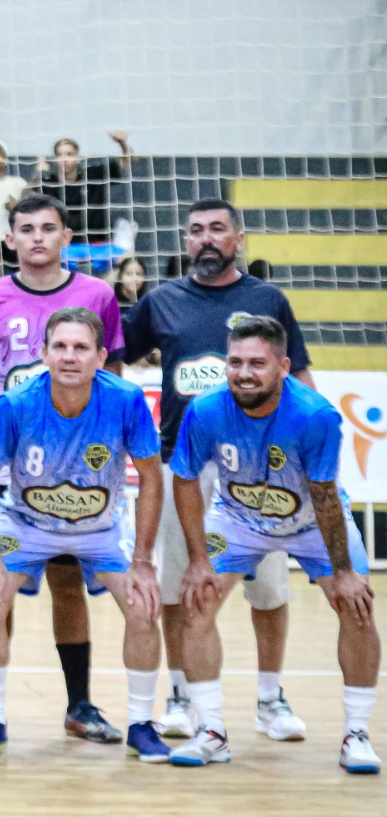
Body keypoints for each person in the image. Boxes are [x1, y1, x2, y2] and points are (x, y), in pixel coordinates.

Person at [123, 198, 314, 742]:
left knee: (269, 589)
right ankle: (182, 694)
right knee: (179, 585)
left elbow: (298, 374)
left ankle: (270, 699)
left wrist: (306, 454)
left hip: (260, 469)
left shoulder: (266, 299)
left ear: (238, 238)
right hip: (182, 464)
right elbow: (114, 362)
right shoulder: (160, 301)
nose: (206, 239)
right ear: (185, 242)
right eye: (195, 231)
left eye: (217, 230)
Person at [0, 307, 170, 763]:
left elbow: (152, 477)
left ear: (100, 356)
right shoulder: (17, 403)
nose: (70, 357)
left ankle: (141, 724)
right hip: (28, 526)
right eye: (61, 347)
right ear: (43, 353)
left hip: (101, 528)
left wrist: (145, 561)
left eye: (81, 348)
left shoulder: (127, 400)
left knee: (144, 605)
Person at [167, 316, 379, 774]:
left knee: (357, 606)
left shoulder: (316, 415)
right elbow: (184, 480)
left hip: (310, 519)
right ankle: (213, 732)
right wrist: (199, 560)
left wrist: (343, 572)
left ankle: (357, 733)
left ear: (283, 366)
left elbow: (324, 496)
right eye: (236, 362)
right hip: (237, 518)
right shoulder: (204, 410)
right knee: (196, 601)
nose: (244, 372)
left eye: (257, 363)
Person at [0, 193, 129, 743]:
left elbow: (114, 369)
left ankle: (79, 705)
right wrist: (18, 423)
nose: (36, 237)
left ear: (65, 236)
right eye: (25, 229)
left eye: (47, 228)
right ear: (9, 239)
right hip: (13, 465)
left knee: (67, 583)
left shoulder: (97, 294)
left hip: (80, 470)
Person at [32, 133, 135, 265]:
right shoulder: (47, 183)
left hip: (97, 245)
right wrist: (37, 174)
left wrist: (123, 144)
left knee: (128, 260)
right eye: (60, 155)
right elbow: (23, 198)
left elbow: (127, 162)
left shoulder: (93, 175)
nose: (65, 159)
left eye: (69, 154)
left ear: (78, 157)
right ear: (54, 159)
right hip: (63, 247)